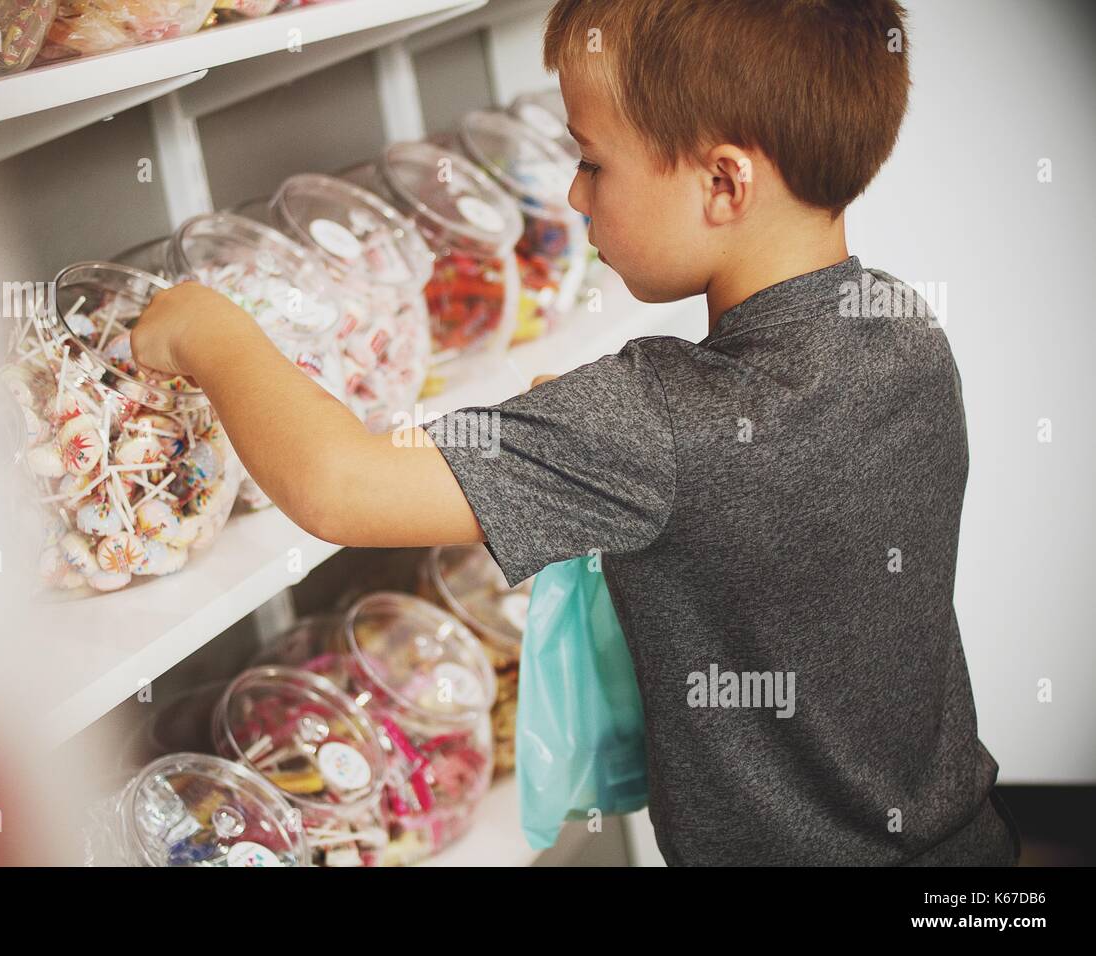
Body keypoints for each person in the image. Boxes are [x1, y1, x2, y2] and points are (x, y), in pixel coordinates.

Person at [132, 0, 1021, 865]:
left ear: (724, 182)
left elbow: (338, 486)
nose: (573, 192)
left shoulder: (652, 422)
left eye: (593, 162)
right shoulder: (902, 328)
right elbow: (762, 498)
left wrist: (212, 334)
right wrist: (585, 438)